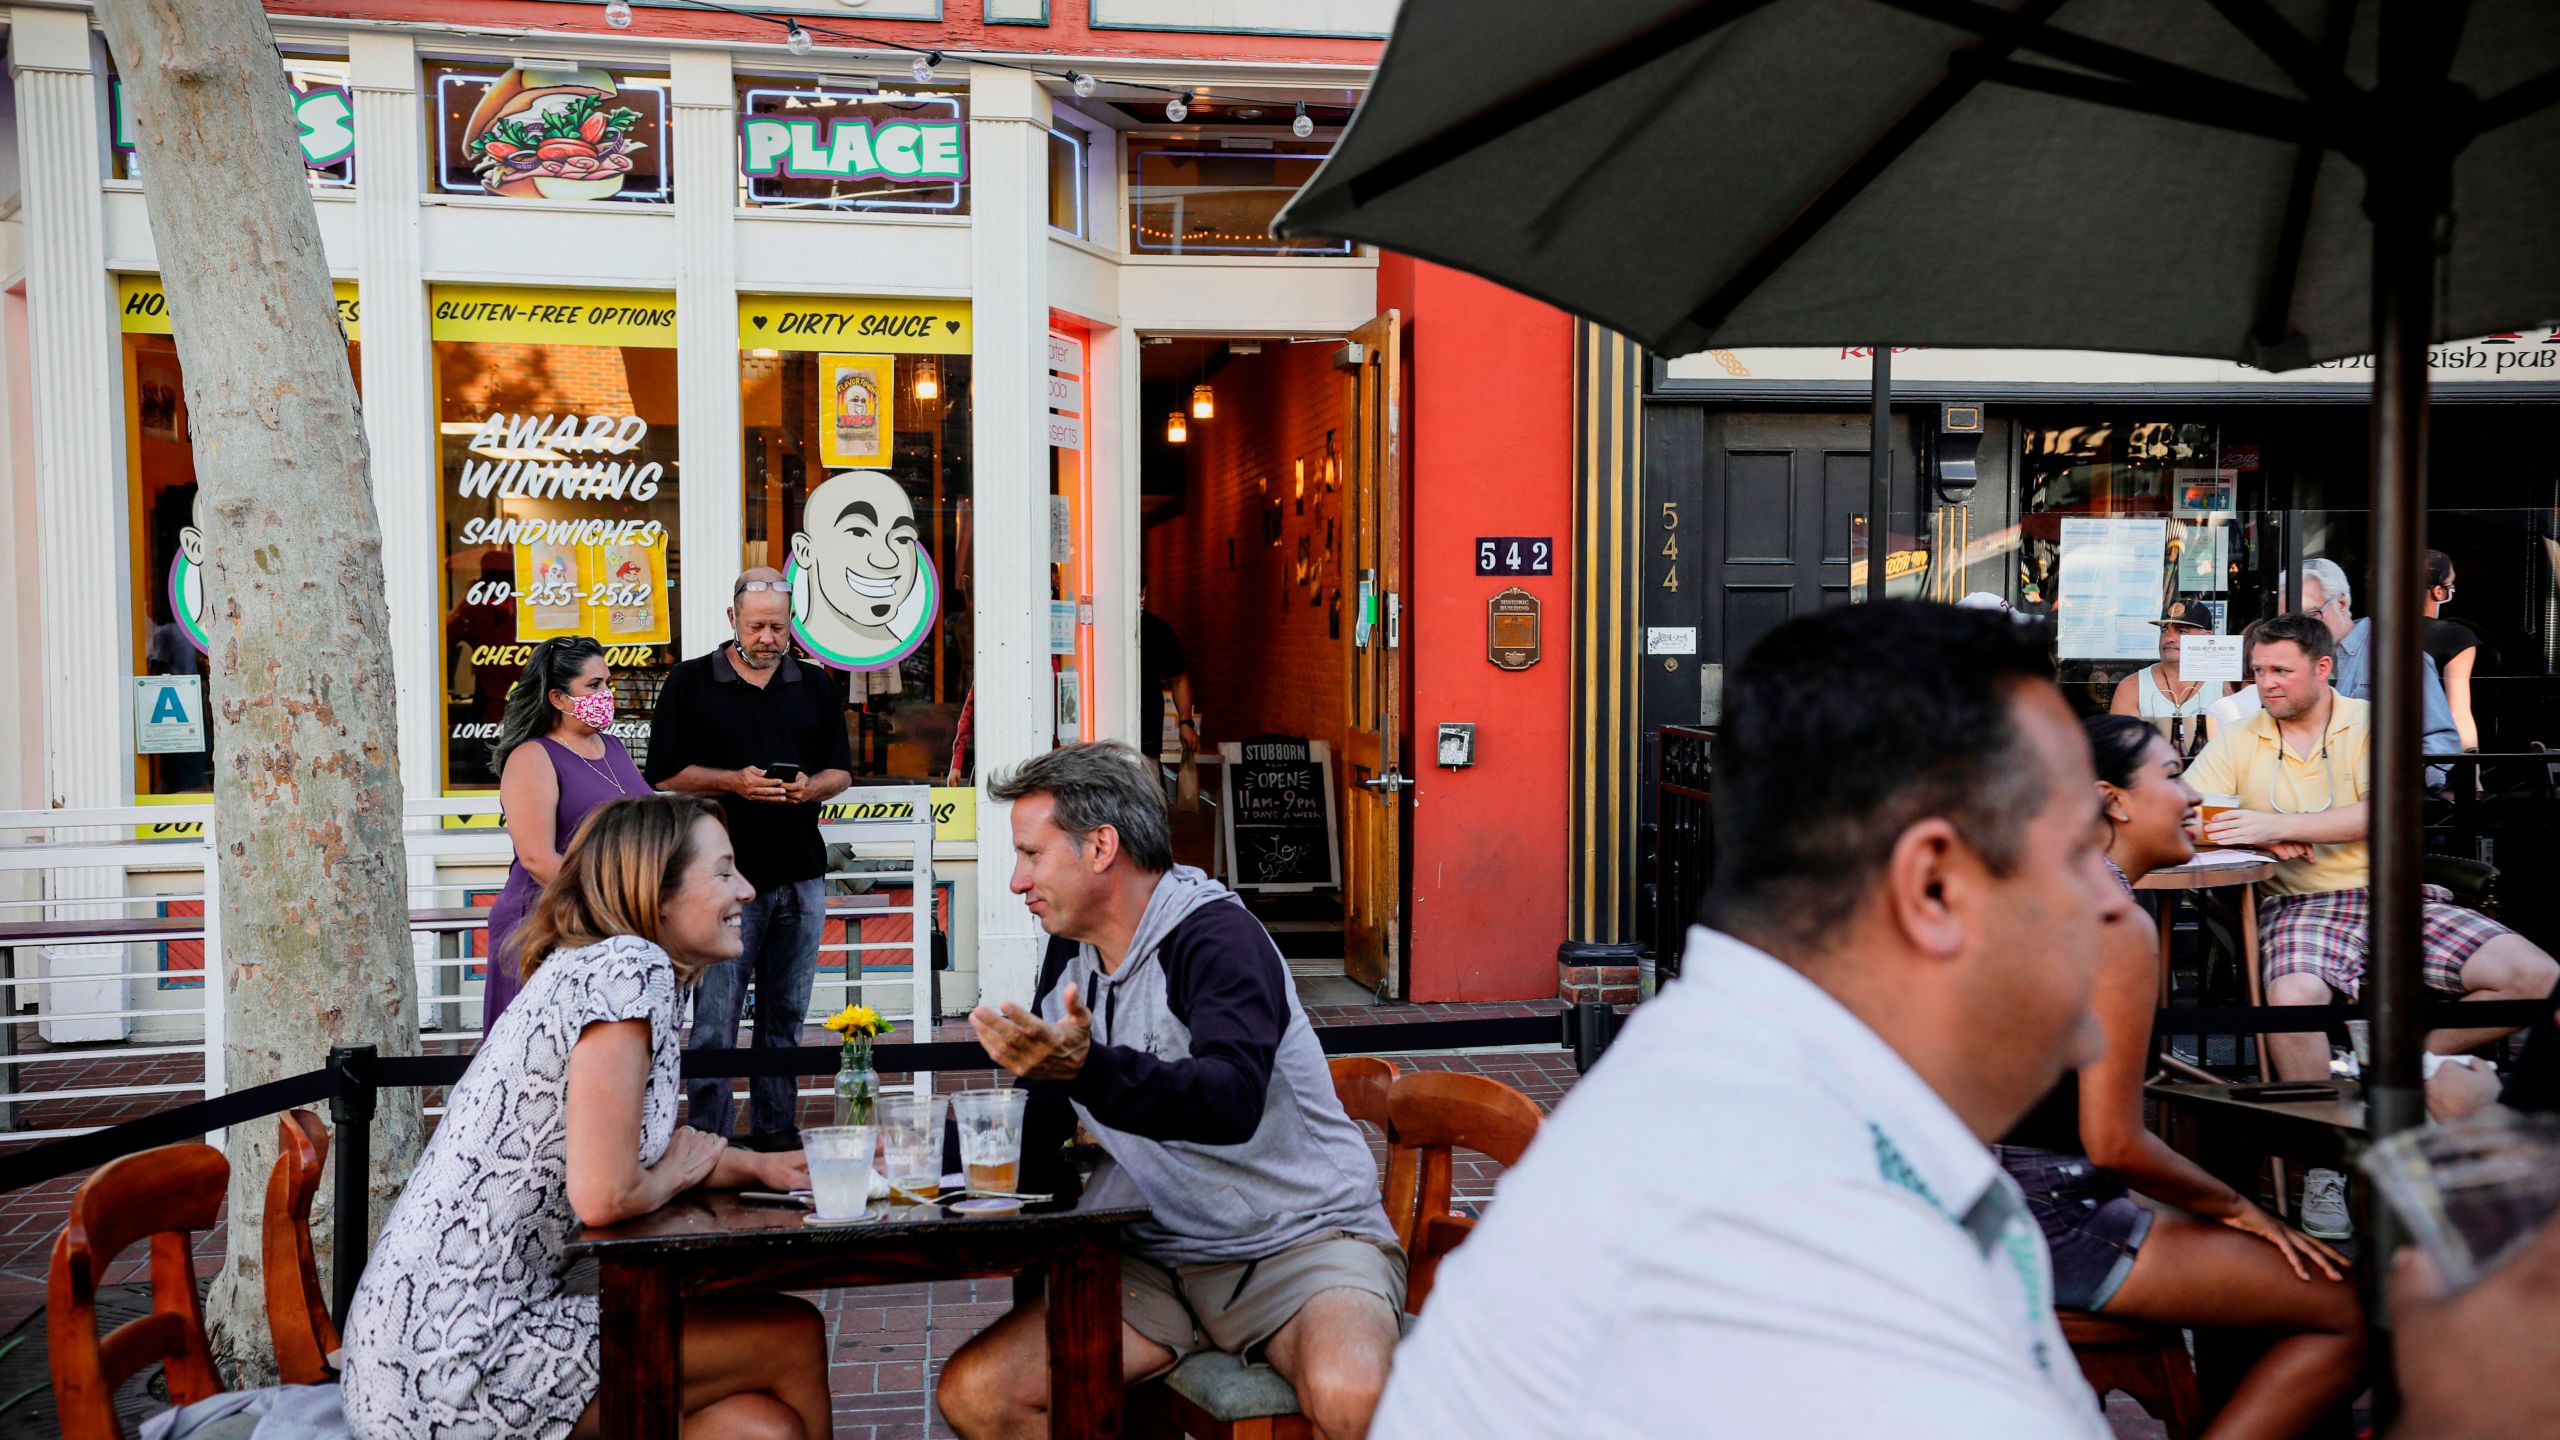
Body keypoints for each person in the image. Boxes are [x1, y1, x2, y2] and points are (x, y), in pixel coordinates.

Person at [1375, 602, 2129, 1437]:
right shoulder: (1809, 1245)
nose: (2108, 899)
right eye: (2074, 855)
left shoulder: (1753, 1099)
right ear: (1934, 888)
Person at [937, 742, 1402, 1440]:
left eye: (1032, 855)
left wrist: (1084, 1071)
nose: (1015, 881)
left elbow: (1231, 1098)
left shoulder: (1215, 940)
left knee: (1352, 1394)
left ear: (1101, 847)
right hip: (1158, 1257)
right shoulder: (1073, 946)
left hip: (1300, 1246)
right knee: (979, 1393)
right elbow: (1043, 1108)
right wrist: (918, 1176)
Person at [341, 796, 830, 1440]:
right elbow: (606, 1194)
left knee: (758, 1427)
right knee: (790, 1335)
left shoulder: (600, 966)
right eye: (723, 871)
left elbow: (633, 1153)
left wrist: (761, 1166)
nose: (746, 888)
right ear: (654, 892)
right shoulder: (628, 968)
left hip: (410, 1354)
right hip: (458, 1361)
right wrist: (677, 1176)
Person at [1999, 715, 2362, 1437]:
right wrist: (2240, 1208)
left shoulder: (2033, 890)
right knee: (2357, 1305)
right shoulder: (2112, 921)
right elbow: (2113, 1144)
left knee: (2266, 1263)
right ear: (2113, 800)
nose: (2194, 794)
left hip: (1987, 1197)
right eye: (2171, 775)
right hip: (2053, 1215)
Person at [2188, 613, 2558, 1091]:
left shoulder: (2372, 723)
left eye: (2281, 671)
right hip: (2300, 906)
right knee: (2291, 1000)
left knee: (2538, 977)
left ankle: (2399, 1065)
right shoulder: (2239, 737)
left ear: (2323, 667)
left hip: (2394, 897)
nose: (2266, 684)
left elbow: (2382, 814)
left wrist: (2276, 824)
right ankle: (2324, 1147)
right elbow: (2185, 813)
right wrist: (2256, 836)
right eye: (2259, 671)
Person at [648, 568, 855, 1146]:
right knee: (714, 1025)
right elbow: (663, 771)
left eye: (779, 627)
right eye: (758, 625)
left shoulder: (813, 684)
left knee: (785, 1020)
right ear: (732, 620)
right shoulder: (690, 681)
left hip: (800, 872)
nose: (769, 637)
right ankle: (708, 1140)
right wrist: (733, 783)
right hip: (718, 878)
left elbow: (841, 769)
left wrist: (811, 788)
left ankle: (774, 1135)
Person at [482, 636, 650, 1029]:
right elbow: (538, 859)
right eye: (593, 686)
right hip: (547, 922)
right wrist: (610, 907)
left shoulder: (613, 748)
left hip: (608, 924)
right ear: (558, 698)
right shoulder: (532, 756)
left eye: (607, 683)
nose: (606, 694)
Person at [2301, 556, 2459, 780]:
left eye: (2312, 615)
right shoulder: (2301, 657)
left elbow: (2440, 739)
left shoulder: (2393, 653)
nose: (2303, 627)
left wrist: (2398, 790)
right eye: (2293, 618)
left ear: (2342, 603)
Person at [2107, 607, 2228, 741]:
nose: (2169, 638)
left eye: (2181, 631)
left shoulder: (2226, 686)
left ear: (2206, 638)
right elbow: (2123, 749)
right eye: (2164, 630)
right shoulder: (2132, 687)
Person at [2422, 549, 2482, 752]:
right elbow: (2459, 714)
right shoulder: (2455, 638)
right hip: (2428, 757)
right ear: (2439, 591)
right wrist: (2471, 768)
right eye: (2451, 583)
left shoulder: (2364, 631)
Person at [1138, 587, 1198, 758]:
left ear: (1144, 592)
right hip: (1105, 732)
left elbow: (1178, 678)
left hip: (1148, 734)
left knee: (1148, 779)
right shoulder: (1103, 625)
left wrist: (1186, 723)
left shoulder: (1157, 629)